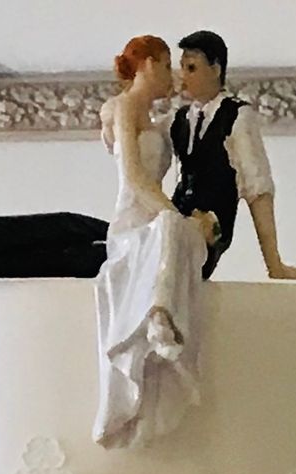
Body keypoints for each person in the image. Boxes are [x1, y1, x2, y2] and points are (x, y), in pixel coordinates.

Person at [93, 35, 216, 449]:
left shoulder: (163, 124)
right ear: (147, 64)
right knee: (170, 231)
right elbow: (134, 178)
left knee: (183, 237)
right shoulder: (123, 108)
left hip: (159, 221)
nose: (173, 76)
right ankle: (158, 317)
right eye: (167, 66)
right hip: (133, 225)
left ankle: (164, 318)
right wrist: (175, 217)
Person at [171, 29, 296, 283]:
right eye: (181, 67)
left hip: (210, 229)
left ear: (215, 69)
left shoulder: (236, 116)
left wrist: (274, 264)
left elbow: (257, 188)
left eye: (191, 68)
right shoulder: (181, 119)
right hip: (178, 218)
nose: (183, 77)